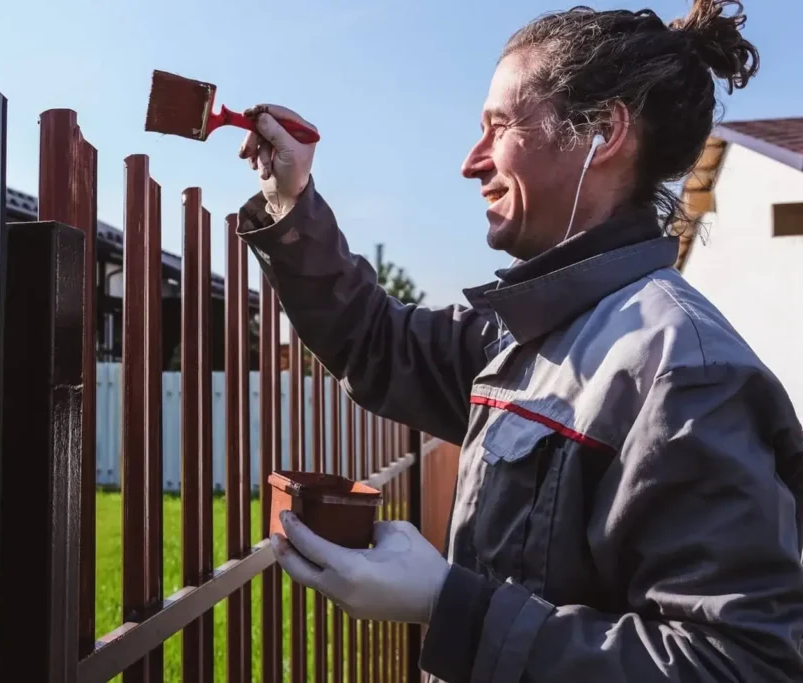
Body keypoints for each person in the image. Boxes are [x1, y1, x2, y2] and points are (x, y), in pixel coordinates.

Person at [233, 1, 803, 681]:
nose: (472, 163)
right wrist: (290, 200)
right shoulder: (521, 338)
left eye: (498, 127)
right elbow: (376, 342)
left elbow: (744, 662)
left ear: (604, 131)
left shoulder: (683, 370)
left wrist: (451, 604)